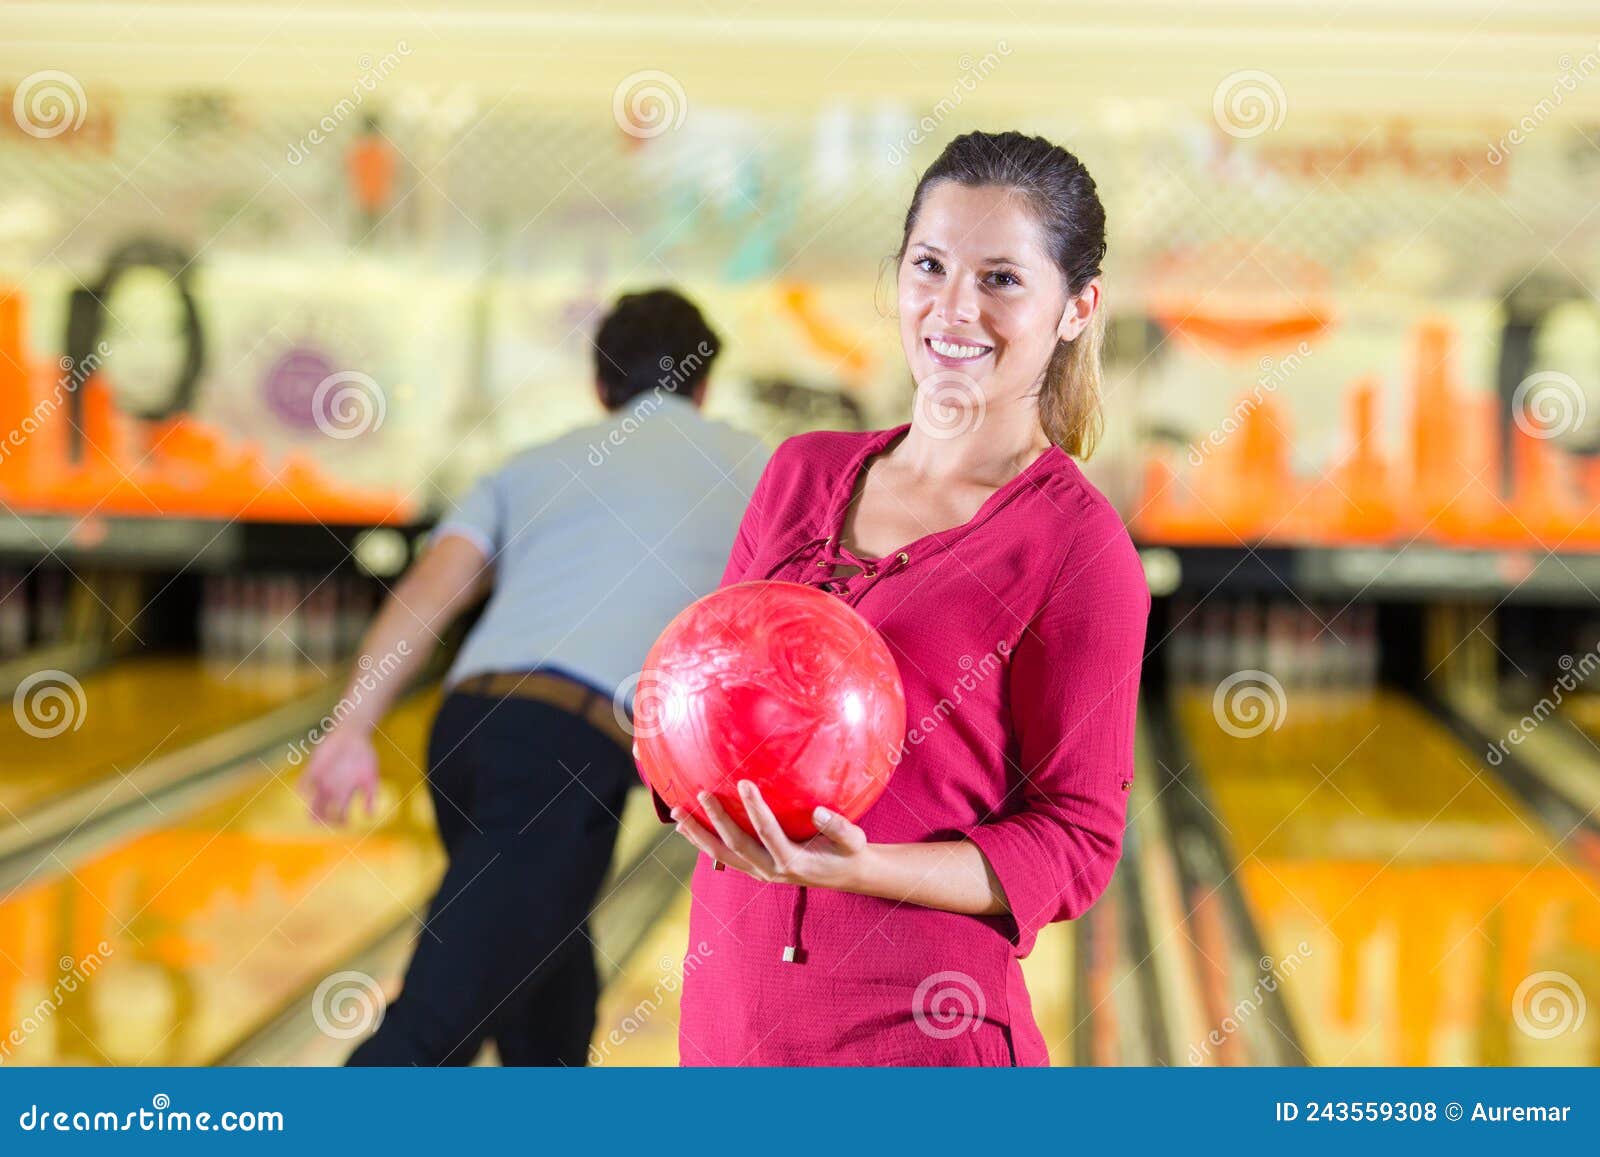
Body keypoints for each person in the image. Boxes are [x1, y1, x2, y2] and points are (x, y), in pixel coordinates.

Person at [666, 131, 1150, 1066]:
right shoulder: (800, 475)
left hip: (920, 1040)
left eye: (1002, 278)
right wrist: (675, 768)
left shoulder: (1077, 547)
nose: (954, 306)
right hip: (729, 1028)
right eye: (930, 265)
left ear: (1077, 307)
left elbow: (1077, 840)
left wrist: (864, 867)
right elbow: (707, 698)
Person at [299, 287, 770, 1065]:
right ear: (704, 386)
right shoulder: (759, 465)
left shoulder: (530, 464)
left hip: (465, 736)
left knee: (546, 991)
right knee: (429, 1030)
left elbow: (426, 594)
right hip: (564, 751)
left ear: (601, 385)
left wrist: (350, 725)